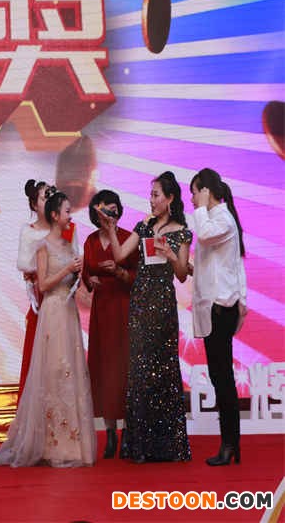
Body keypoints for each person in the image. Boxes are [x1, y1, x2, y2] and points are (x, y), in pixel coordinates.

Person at [0, 192, 96, 468]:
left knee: (71, 370)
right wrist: (67, 270)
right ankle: (52, 444)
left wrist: (79, 274)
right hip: (52, 311)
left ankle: (73, 443)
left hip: (69, 312)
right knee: (53, 371)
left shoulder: (68, 245)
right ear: (54, 215)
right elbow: (44, 285)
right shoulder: (42, 247)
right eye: (66, 211)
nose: (70, 216)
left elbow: (72, 281)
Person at [98, 171, 192, 463]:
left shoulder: (182, 231)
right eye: (150, 195)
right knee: (139, 370)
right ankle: (140, 445)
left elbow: (182, 274)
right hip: (140, 303)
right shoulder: (144, 225)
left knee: (163, 370)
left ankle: (167, 446)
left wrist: (170, 253)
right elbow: (121, 255)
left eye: (155, 195)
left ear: (170, 198)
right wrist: (111, 229)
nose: (151, 200)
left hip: (163, 305)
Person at [190, 168, 247, 466]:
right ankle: (230, 443)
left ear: (207, 191)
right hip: (215, 307)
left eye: (195, 192)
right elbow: (226, 266)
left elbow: (205, 235)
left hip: (221, 308)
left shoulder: (221, 218)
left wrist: (201, 208)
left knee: (222, 377)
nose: (192, 199)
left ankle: (229, 444)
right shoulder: (215, 219)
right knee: (218, 376)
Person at [82, 190, 137, 459]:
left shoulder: (128, 238)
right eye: (104, 210)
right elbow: (85, 271)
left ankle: (127, 432)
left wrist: (119, 272)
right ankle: (110, 433)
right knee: (103, 370)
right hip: (101, 311)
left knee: (124, 369)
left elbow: (137, 275)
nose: (109, 215)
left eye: (113, 209)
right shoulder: (91, 240)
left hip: (124, 309)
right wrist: (89, 280)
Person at [16, 181, 78, 403]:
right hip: (41, 300)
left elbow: (74, 261)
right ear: (34, 204)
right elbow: (26, 267)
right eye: (44, 198)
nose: (49, 200)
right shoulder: (29, 232)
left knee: (64, 357)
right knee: (39, 356)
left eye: (51, 196)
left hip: (64, 298)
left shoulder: (68, 230)